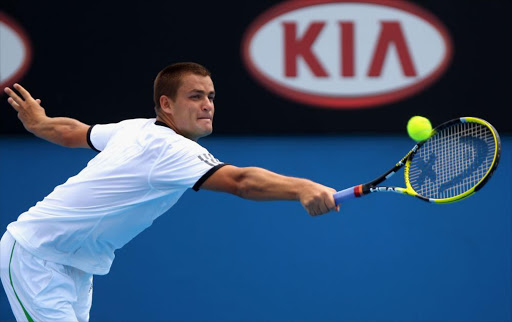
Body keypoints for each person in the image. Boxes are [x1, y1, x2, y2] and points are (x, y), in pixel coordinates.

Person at [0, 62, 338, 321]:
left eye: (211, 96)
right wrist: (302, 187)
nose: (207, 104)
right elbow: (240, 182)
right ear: (167, 104)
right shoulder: (170, 148)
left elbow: (74, 132)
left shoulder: (136, 129)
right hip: (37, 254)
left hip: (76, 262)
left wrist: (39, 122)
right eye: (195, 96)